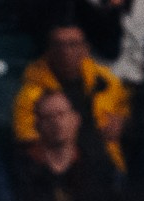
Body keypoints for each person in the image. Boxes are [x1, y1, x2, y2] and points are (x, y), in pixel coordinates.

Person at [13, 90, 128, 201]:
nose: (57, 122)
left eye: (61, 115)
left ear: (76, 119)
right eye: (48, 117)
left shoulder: (97, 164)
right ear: (37, 125)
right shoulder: (23, 169)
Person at [14, 22, 131, 170]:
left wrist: (124, 125)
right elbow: (28, 145)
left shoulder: (107, 80)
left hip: (110, 166)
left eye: (73, 44)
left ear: (86, 49)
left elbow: (129, 116)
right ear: (48, 50)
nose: (65, 51)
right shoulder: (30, 95)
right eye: (58, 45)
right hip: (64, 173)